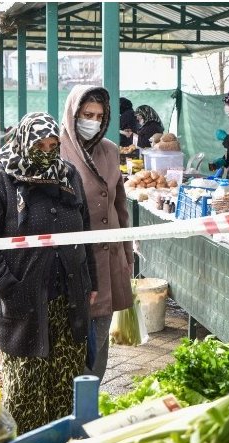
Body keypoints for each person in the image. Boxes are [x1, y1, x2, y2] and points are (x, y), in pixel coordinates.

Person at [0, 112, 98, 434]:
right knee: (26, 383)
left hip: (69, 297)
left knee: (66, 380)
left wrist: (91, 283)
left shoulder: (68, 175)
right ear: (24, 142)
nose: (46, 151)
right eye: (39, 145)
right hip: (24, 302)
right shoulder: (1, 181)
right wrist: (8, 287)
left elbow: (85, 233)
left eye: (53, 145)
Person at [60, 86, 135, 380]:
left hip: (108, 260)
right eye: (86, 114)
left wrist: (127, 256)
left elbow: (121, 206)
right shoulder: (57, 150)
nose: (92, 121)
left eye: (98, 116)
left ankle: (90, 403)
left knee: (100, 344)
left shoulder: (110, 151)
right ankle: (69, 406)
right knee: (73, 343)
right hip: (72, 264)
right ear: (73, 114)